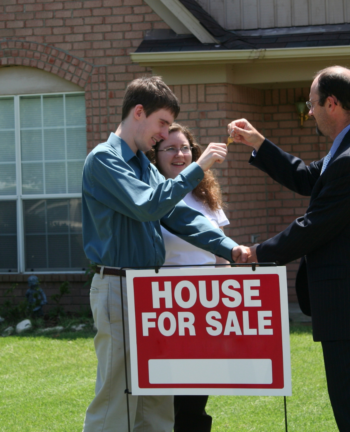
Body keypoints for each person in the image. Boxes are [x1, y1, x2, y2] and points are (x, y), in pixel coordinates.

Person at [230, 66, 350, 432]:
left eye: (312, 104)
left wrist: (259, 253)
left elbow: (315, 226)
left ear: (332, 103)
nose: (309, 112)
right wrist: (259, 143)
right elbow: (308, 178)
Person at [82, 76, 250, 432]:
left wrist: (229, 248)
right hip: (118, 287)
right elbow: (148, 206)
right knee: (116, 399)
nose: (164, 133)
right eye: (161, 123)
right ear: (138, 112)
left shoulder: (144, 165)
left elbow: (180, 216)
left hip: (149, 292)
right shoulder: (104, 160)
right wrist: (198, 165)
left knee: (156, 399)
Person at [147, 123, 224, 432]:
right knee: (169, 395)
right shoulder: (152, 195)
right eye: (170, 148)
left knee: (196, 395)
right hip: (167, 308)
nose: (179, 154)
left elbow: (219, 256)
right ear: (156, 155)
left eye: (185, 148)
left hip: (204, 308)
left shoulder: (204, 196)